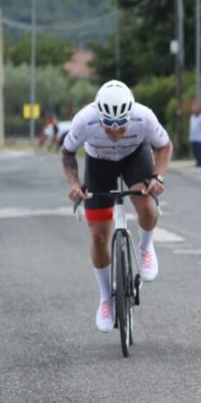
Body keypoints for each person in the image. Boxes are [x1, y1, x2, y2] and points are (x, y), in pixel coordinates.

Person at [61, 80, 172, 332]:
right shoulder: (84, 120)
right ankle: (105, 298)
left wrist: (157, 177)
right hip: (99, 162)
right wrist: (75, 183)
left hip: (135, 156)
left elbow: (164, 146)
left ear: (129, 116)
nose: (114, 134)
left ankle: (145, 247)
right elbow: (67, 153)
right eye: (108, 128)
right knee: (99, 236)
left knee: (144, 202)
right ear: (98, 116)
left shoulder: (144, 117)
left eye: (120, 128)